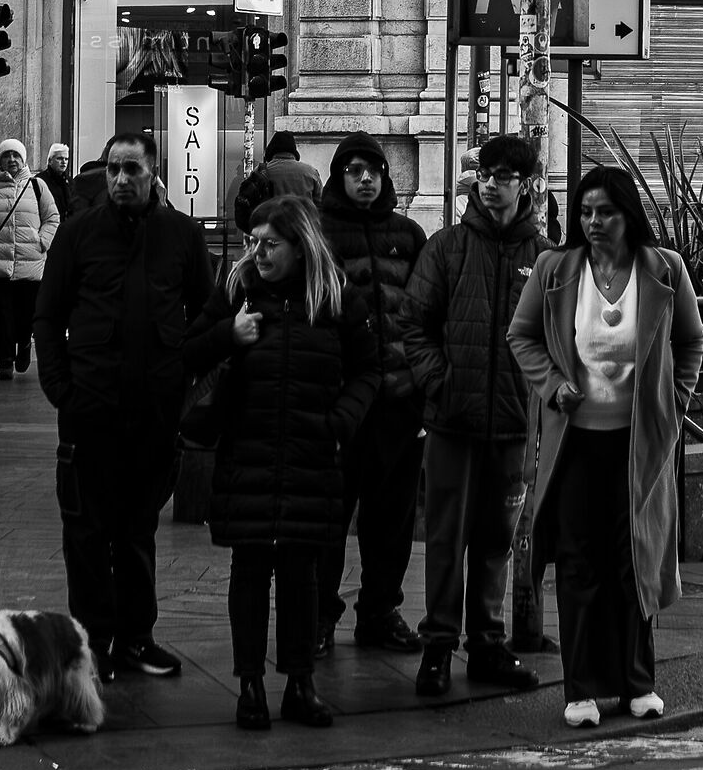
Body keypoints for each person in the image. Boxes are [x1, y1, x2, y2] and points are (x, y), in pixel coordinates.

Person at [509, 165, 703, 729]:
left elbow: (691, 342)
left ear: (628, 214)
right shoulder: (555, 269)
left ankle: (637, 683)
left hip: (638, 446)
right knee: (578, 565)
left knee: (633, 559)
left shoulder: (663, 268)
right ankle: (582, 689)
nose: (592, 222)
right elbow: (520, 336)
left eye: (605, 212)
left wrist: (676, 401)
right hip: (575, 446)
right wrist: (553, 386)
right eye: (585, 212)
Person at [185, 197, 378, 731]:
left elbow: (369, 370)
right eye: (253, 242)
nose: (259, 253)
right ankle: (249, 684)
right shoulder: (236, 290)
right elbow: (187, 351)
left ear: (300, 245)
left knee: (302, 573)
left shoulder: (335, 298)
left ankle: (300, 683)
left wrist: (339, 422)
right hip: (247, 451)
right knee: (249, 571)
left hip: (310, 453)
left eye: (270, 243)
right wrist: (230, 334)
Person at [33, 129, 212, 684]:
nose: (120, 179)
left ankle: (137, 637)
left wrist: (184, 387)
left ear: (153, 172)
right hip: (90, 409)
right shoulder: (79, 232)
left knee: (137, 531)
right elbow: (48, 313)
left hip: (154, 412)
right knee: (86, 533)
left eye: (131, 169)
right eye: (113, 168)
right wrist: (61, 387)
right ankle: (91, 641)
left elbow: (204, 315)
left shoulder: (181, 234)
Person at [401, 133, 543, 700]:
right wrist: (441, 382)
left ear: (526, 184)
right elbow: (416, 324)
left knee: (495, 541)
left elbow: (559, 338)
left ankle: (487, 642)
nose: (490, 183)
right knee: (444, 538)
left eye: (503, 175)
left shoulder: (545, 257)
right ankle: (438, 646)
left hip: (513, 428)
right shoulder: (447, 247)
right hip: (453, 424)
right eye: (484, 172)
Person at [315, 133, 427, 654]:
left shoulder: (409, 234)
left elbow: (427, 316)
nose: (364, 178)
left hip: (399, 403)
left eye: (373, 170)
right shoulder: (316, 233)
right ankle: (317, 616)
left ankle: (380, 610)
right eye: (354, 170)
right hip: (339, 405)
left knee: (392, 519)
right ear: (339, 176)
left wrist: (424, 388)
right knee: (327, 519)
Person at [0, 141, 60, 379]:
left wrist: (42, 242)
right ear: (0, 160)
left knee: (26, 314)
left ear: (23, 159)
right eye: (7, 156)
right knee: (1, 316)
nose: (12, 160)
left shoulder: (37, 185)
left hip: (30, 262)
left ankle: (24, 344)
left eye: (16, 155)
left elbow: (52, 217)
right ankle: (5, 361)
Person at [233, 132, 321, 235]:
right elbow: (320, 208)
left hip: (271, 234)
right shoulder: (311, 172)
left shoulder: (261, 172)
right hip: (302, 234)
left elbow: (246, 205)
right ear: (294, 151)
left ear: (271, 150)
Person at [41, 144, 73, 221]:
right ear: (50, 160)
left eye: (66, 159)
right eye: (59, 158)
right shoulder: (40, 180)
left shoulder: (70, 182)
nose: (63, 162)